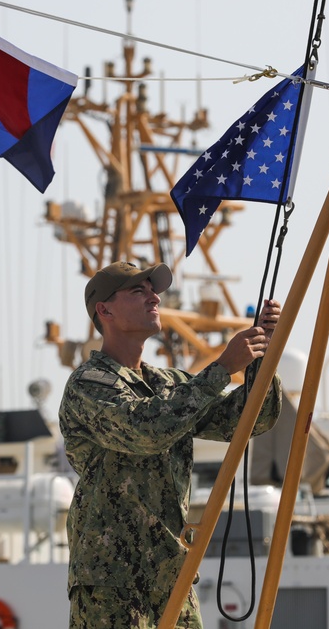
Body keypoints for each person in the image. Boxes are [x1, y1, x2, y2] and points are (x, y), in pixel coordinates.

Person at [59, 261, 283, 629]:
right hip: (112, 582)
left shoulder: (169, 383)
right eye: (138, 291)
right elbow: (147, 430)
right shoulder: (89, 384)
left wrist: (263, 355)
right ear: (105, 310)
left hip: (171, 578)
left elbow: (247, 420)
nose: (154, 297)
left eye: (153, 289)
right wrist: (222, 368)